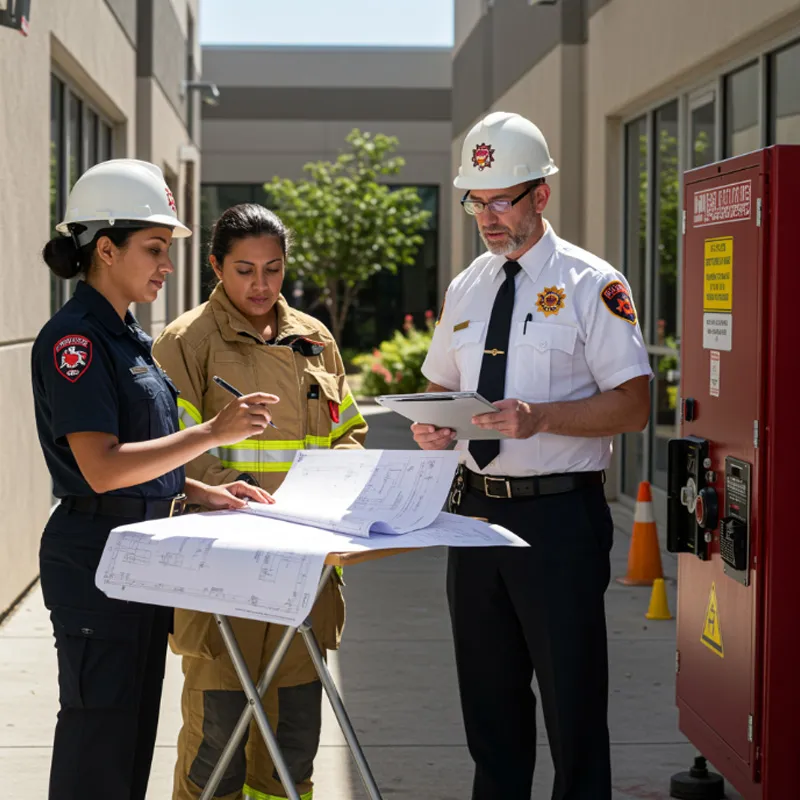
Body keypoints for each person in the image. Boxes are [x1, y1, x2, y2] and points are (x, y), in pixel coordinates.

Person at [412, 111, 653, 799]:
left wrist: (539, 417)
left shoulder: (590, 284)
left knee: (573, 715)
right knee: (490, 716)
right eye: (475, 200)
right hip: (475, 518)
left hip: (557, 524)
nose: (486, 217)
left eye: (501, 199)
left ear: (540, 195)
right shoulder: (467, 286)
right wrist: (434, 425)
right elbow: (441, 386)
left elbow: (634, 404)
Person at [32, 159, 279, 800]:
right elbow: (102, 467)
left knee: (132, 742)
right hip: (95, 561)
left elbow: (141, 459)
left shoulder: (128, 338)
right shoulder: (76, 341)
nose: (167, 265)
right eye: (155, 249)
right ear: (105, 249)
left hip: (140, 555)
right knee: (98, 748)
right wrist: (211, 435)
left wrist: (201, 491)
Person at [152, 203, 368, 800]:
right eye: (244, 269)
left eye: (272, 269)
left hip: (304, 569)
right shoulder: (185, 341)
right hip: (224, 567)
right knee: (216, 740)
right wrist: (240, 501)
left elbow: (348, 430)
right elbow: (176, 449)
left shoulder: (314, 338)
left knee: (292, 741)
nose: (260, 284)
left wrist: (337, 487)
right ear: (216, 267)